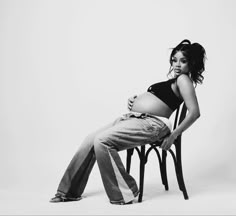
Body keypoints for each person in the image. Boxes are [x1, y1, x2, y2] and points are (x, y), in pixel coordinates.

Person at [50, 39, 206, 205]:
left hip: (152, 124)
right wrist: (135, 101)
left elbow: (195, 113)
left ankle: (124, 193)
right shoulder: (173, 81)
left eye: (183, 61)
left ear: (191, 63)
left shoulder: (183, 80)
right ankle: (68, 192)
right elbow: (158, 100)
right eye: (174, 60)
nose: (177, 65)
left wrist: (173, 136)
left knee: (101, 141)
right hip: (134, 119)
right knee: (90, 139)